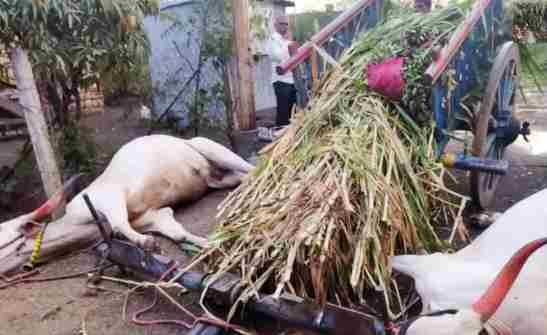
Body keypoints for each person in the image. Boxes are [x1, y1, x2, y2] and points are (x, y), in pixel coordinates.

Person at [259, 15, 299, 142]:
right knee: (283, 112)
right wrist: (287, 43)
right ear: (275, 25)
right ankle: (278, 140)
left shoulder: (287, 39)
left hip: (292, 79)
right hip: (281, 81)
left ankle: (291, 138)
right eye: (282, 23)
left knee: (294, 111)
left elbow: (296, 55)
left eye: (287, 24)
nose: (285, 26)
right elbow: (277, 56)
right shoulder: (272, 40)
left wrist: (288, 42)